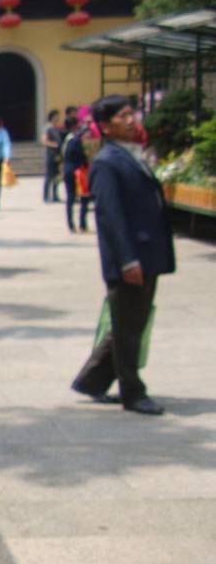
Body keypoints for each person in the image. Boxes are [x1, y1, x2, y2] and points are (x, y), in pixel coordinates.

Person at [70, 94, 175, 416]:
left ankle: (91, 380)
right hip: (131, 258)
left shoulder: (129, 154)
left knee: (128, 323)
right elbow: (111, 218)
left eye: (132, 113)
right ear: (105, 126)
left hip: (147, 252)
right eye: (123, 116)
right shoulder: (106, 162)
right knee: (129, 328)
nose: (131, 120)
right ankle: (133, 392)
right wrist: (128, 260)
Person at [62, 113, 92, 233]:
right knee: (84, 197)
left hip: (67, 169)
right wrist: (86, 165)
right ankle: (82, 224)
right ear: (75, 126)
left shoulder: (66, 139)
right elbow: (81, 156)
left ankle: (70, 224)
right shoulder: (75, 140)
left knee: (70, 198)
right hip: (77, 171)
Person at [41, 109, 63, 202]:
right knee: (49, 176)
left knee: (57, 176)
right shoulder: (48, 127)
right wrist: (54, 145)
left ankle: (55, 195)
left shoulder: (57, 128)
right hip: (50, 154)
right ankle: (46, 196)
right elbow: (44, 140)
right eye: (56, 116)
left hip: (57, 155)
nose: (57, 118)